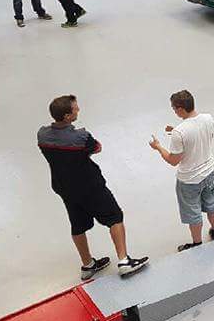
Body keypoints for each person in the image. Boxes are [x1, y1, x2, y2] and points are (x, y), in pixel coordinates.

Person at [38, 95, 148, 279]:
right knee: (115, 217)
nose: (78, 110)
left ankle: (88, 265)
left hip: (64, 188)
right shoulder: (81, 137)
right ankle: (124, 261)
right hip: (90, 186)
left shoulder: (42, 135)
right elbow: (97, 147)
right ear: (67, 116)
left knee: (77, 225)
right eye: (75, 108)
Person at [148, 90, 214, 252]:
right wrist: (177, 131)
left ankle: (197, 244)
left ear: (181, 109)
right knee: (212, 204)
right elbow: (203, 136)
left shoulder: (179, 133)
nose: (174, 111)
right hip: (209, 172)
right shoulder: (208, 119)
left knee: (193, 212)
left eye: (174, 109)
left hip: (189, 180)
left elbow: (173, 160)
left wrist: (158, 147)